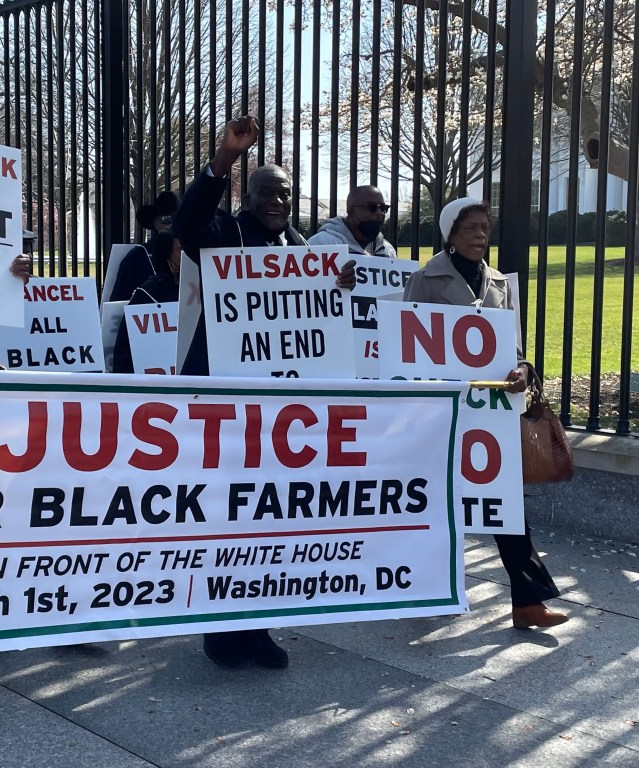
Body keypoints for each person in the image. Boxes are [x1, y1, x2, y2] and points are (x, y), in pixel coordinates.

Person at [173, 116, 356, 669]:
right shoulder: (225, 234)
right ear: (246, 197)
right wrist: (224, 159)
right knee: (226, 519)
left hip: (280, 413)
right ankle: (219, 630)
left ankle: (256, 626)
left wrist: (335, 285)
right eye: (268, 192)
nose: (278, 200)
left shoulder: (300, 246)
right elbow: (186, 225)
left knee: (267, 520)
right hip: (224, 406)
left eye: (286, 193)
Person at [402, 196, 568, 631]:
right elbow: (408, 347)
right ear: (450, 234)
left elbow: (512, 345)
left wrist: (522, 370)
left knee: (506, 502)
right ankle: (428, 588)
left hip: (492, 412)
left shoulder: (500, 282)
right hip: (444, 413)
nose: (479, 236)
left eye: (484, 228)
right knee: (440, 502)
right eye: (470, 228)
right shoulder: (425, 280)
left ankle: (528, 601)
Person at [111, 232, 181, 374]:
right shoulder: (149, 294)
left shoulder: (208, 288)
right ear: (167, 255)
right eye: (181, 249)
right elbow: (125, 352)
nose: (190, 253)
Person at [108, 191, 179, 302]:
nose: (170, 225)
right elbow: (120, 299)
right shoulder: (139, 255)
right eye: (165, 220)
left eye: (174, 220)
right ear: (154, 222)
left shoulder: (190, 252)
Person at [308, 186, 398, 258]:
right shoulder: (322, 243)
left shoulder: (388, 250)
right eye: (371, 206)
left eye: (383, 208)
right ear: (350, 210)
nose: (379, 213)